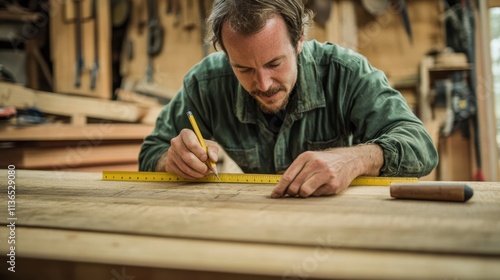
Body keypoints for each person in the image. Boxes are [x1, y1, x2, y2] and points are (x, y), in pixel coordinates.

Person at [139, 0, 438, 198]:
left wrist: (356, 158)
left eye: (274, 64)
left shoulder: (345, 73)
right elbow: (151, 152)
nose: (263, 84)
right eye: (243, 68)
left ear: (298, 42)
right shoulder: (204, 83)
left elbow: (420, 146)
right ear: (226, 55)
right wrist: (171, 160)